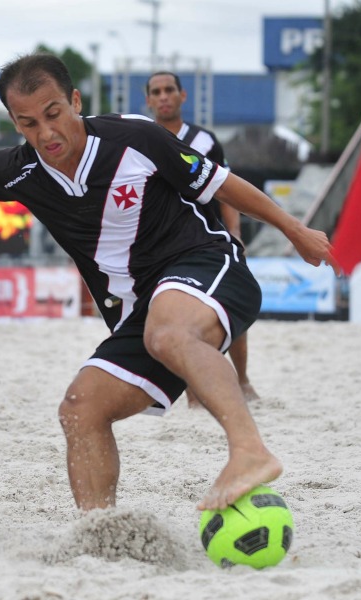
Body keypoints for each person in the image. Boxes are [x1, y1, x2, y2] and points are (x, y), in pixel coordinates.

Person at [0, 52, 341, 512]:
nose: (46, 133)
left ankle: (249, 451)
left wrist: (295, 230)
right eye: (28, 123)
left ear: (75, 102)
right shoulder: (19, 170)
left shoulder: (137, 139)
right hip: (140, 310)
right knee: (81, 408)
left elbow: (225, 183)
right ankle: (101, 536)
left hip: (207, 264)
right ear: (15, 124)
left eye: (54, 113)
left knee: (169, 332)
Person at [145, 70, 259, 405]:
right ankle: (191, 389)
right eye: (156, 91)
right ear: (148, 100)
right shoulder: (138, 139)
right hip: (159, 244)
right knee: (172, 317)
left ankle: (242, 378)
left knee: (227, 310)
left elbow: (227, 191)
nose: (163, 96)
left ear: (183, 96)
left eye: (169, 90)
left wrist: (235, 235)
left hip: (209, 239)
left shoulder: (206, 141)